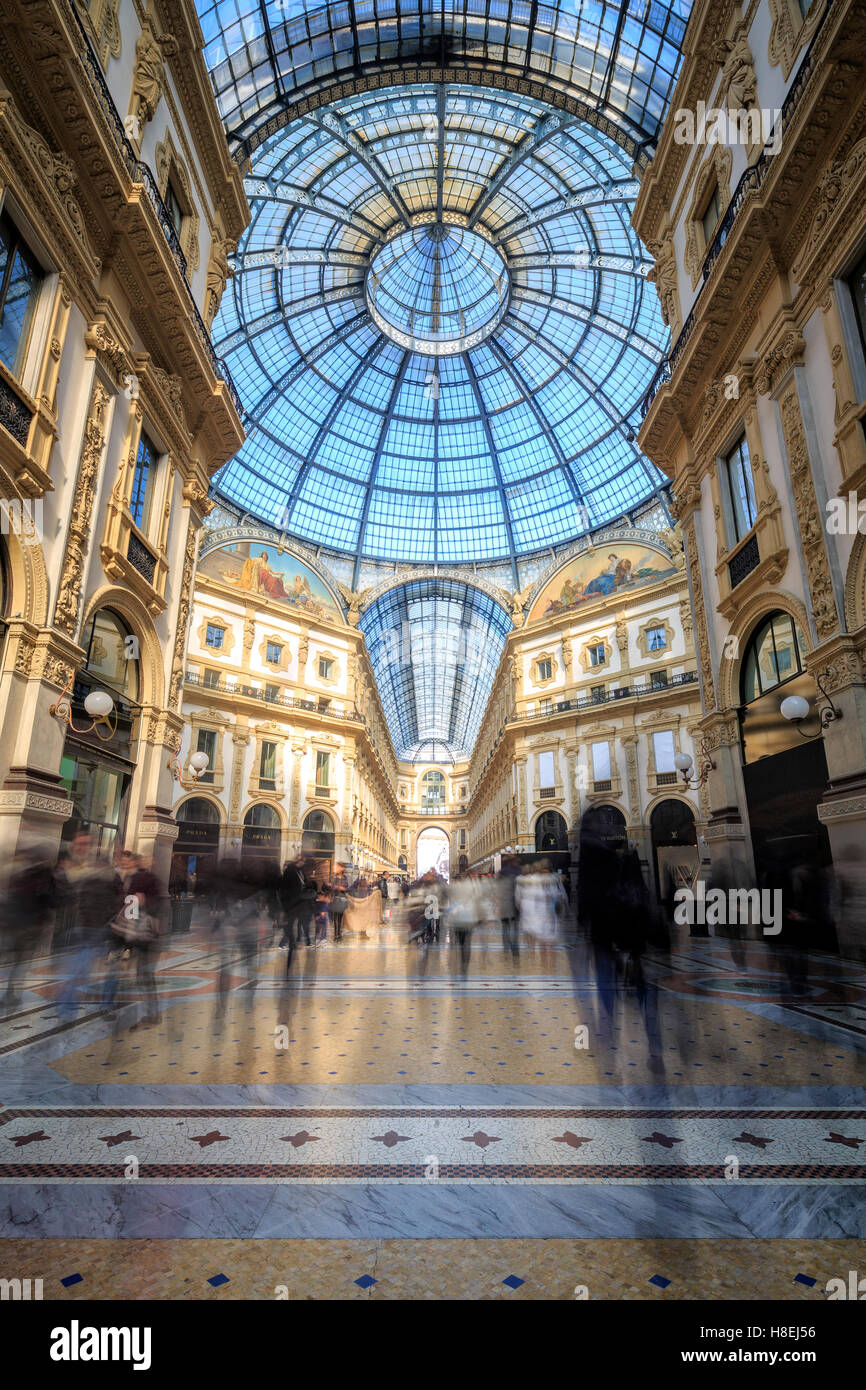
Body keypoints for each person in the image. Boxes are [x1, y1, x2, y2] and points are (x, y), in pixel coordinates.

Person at [57, 831, 123, 1019]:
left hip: (107, 927)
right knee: (80, 968)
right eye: (79, 845)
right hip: (82, 928)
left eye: (86, 844)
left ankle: (105, 1004)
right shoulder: (68, 872)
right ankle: (68, 1007)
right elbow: (58, 893)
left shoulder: (105, 871)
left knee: (111, 968)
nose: (82, 848)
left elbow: (120, 894)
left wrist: (116, 918)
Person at [515, 858, 565, 971]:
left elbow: (559, 896)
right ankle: (543, 963)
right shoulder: (533, 882)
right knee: (543, 940)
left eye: (546, 871)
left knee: (548, 941)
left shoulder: (551, 882)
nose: (544, 874)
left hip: (548, 915)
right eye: (542, 871)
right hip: (537, 915)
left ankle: (549, 964)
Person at [447, 870, 480, 976]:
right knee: (467, 942)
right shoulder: (471, 886)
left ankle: (459, 960)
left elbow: (450, 900)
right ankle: (464, 965)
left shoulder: (454, 887)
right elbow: (478, 896)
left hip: (457, 918)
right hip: (469, 917)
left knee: (460, 942)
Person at [495, 854, 521, 963]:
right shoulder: (518, 873)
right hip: (515, 905)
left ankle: (506, 948)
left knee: (505, 928)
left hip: (504, 905)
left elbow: (497, 891)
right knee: (514, 929)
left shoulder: (500, 874)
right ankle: (515, 950)